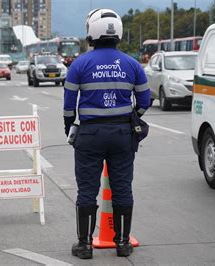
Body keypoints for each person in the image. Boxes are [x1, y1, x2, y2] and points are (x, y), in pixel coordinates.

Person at [63, 8, 151, 259]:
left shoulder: (79, 64)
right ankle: (122, 243)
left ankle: (85, 245)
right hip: (123, 134)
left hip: (90, 134)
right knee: (123, 188)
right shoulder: (132, 64)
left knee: (87, 190)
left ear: (92, 31)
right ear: (118, 32)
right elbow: (145, 99)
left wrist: (70, 127)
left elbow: (69, 105)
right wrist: (132, 117)